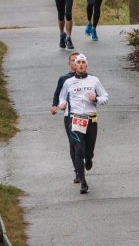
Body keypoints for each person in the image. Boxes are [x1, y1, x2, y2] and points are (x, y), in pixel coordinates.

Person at [58, 54, 109, 194]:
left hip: (91, 119)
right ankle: (83, 182)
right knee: (78, 150)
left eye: (83, 62)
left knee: (88, 151)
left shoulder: (94, 80)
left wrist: (96, 99)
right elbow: (62, 97)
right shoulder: (68, 82)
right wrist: (62, 104)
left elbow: (105, 97)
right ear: (74, 65)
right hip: (75, 120)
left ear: (86, 65)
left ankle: (90, 158)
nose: (80, 64)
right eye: (78, 62)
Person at [51, 52, 79, 183]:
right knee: (73, 143)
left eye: (78, 60)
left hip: (86, 116)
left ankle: (87, 158)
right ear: (69, 63)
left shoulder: (91, 79)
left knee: (85, 145)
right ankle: (78, 171)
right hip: (69, 116)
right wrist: (55, 105)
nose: (76, 63)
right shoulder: (64, 79)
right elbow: (58, 94)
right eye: (73, 60)